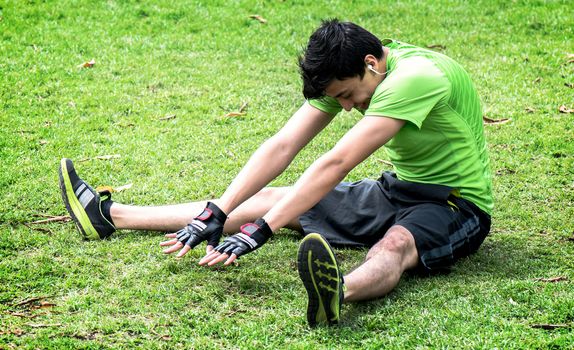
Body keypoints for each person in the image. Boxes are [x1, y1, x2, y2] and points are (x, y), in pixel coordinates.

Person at [59, 19, 493, 327]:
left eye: (347, 95)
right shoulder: (355, 71)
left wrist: (260, 231)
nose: (345, 107)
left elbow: (336, 162)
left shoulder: (416, 78)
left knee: (395, 245)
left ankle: (336, 292)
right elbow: (285, 145)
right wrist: (220, 209)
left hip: (454, 204)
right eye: (337, 99)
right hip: (394, 190)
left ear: (371, 63)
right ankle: (111, 215)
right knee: (272, 199)